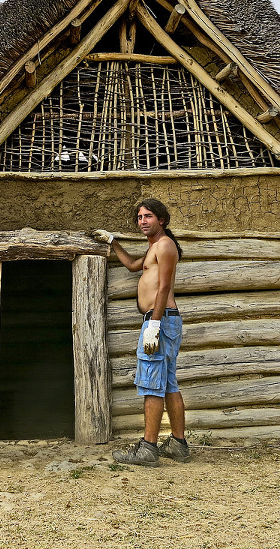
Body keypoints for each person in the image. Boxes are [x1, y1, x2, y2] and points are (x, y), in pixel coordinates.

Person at [93, 198, 189, 467]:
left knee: (151, 383)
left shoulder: (165, 245)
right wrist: (113, 242)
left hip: (159, 321)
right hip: (163, 321)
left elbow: (163, 287)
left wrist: (154, 325)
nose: (143, 221)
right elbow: (133, 266)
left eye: (148, 216)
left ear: (162, 220)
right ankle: (178, 445)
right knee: (168, 382)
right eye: (139, 217)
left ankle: (148, 448)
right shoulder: (153, 249)